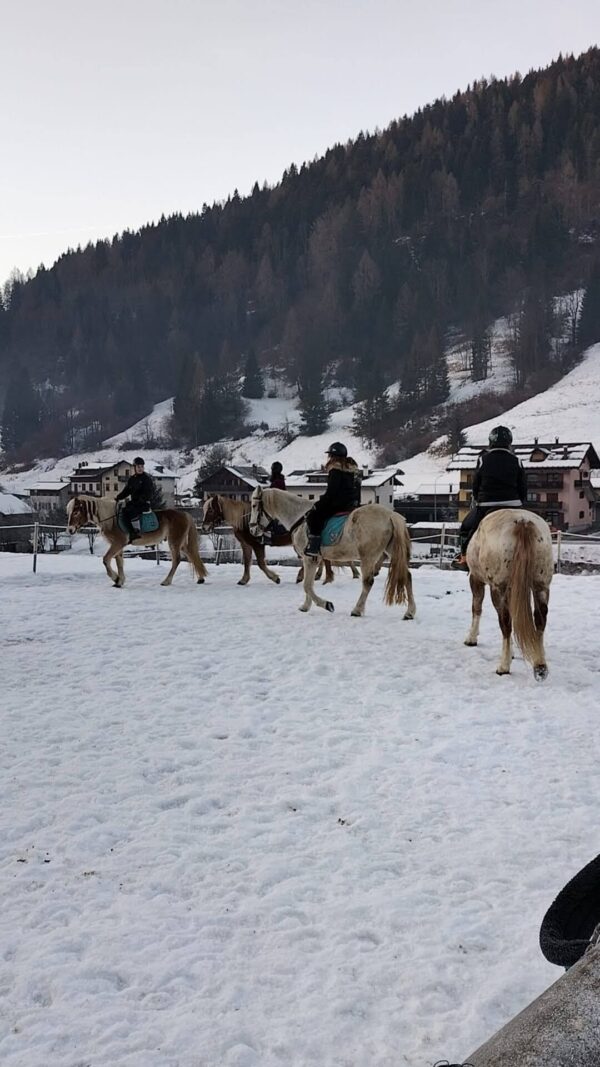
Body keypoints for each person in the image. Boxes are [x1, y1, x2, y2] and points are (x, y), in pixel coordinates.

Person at [452, 425, 527, 571]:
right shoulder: (517, 461)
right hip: (513, 505)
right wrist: (520, 503)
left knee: (466, 527)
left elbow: (476, 484)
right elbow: (523, 486)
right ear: (509, 442)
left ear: (490, 442)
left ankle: (464, 558)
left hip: (486, 505)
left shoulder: (482, 460)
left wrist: (477, 498)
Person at [305, 442, 361, 558]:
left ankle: (314, 546)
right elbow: (358, 489)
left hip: (338, 504)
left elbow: (332, 491)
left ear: (333, 456)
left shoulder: (335, 469)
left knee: (314, 516)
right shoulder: (354, 470)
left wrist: (319, 504)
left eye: (330, 455)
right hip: (352, 504)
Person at [115, 457, 156, 542]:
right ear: (134, 468)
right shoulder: (132, 479)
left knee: (131, 510)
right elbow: (126, 491)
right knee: (123, 511)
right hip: (134, 503)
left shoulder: (146, 479)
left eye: (142, 467)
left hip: (143, 503)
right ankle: (129, 531)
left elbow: (149, 493)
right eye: (138, 467)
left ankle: (136, 531)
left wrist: (141, 499)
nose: (140, 468)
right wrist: (118, 497)